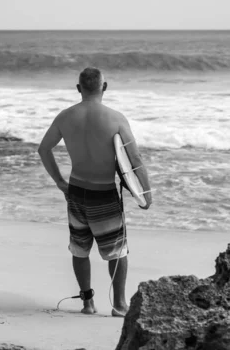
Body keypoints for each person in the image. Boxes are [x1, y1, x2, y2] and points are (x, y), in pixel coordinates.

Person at [38, 67, 152, 317]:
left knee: (80, 249)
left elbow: (44, 149)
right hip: (105, 195)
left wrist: (60, 183)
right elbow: (135, 158)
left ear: (79, 89)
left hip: (76, 192)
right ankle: (119, 305)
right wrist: (145, 191)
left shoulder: (65, 117)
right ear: (105, 87)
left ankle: (87, 303)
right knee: (117, 251)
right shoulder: (116, 118)